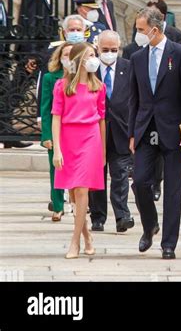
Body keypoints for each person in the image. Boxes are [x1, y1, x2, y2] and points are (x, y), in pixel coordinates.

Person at [128, 7, 181, 259]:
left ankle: (169, 243)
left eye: (140, 30)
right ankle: (150, 226)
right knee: (140, 181)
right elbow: (133, 98)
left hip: (175, 129)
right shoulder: (137, 57)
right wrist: (132, 133)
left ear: (155, 30)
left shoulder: (179, 54)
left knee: (172, 190)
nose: (137, 34)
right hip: (146, 127)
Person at [52, 42, 106, 259]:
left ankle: (74, 241)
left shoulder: (99, 86)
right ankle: (86, 236)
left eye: (95, 55)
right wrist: (57, 149)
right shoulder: (62, 86)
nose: (94, 59)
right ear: (79, 59)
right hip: (68, 138)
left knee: (82, 189)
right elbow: (56, 117)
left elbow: (102, 119)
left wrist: (103, 150)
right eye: (90, 55)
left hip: (90, 139)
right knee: (73, 192)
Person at [88, 30, 135, 233]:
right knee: (96, 176)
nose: (109, 53)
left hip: (121, 131)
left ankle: (122, 215)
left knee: (120, 176)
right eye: (105, 50)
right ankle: (97, 217)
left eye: (113, 50)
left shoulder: (129, 68)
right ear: (98, 48)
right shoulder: (90, 69)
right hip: (95, 131)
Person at [40, 42, 73, 221]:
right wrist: (46, 135)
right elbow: (45, 108)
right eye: (65, 55)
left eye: (71, 54)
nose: (68, 58)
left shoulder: (85, 77)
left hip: (77, 129)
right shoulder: (50, 78)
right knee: (56, 169)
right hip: (56, 128)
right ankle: (58, 205)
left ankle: (81, 203)